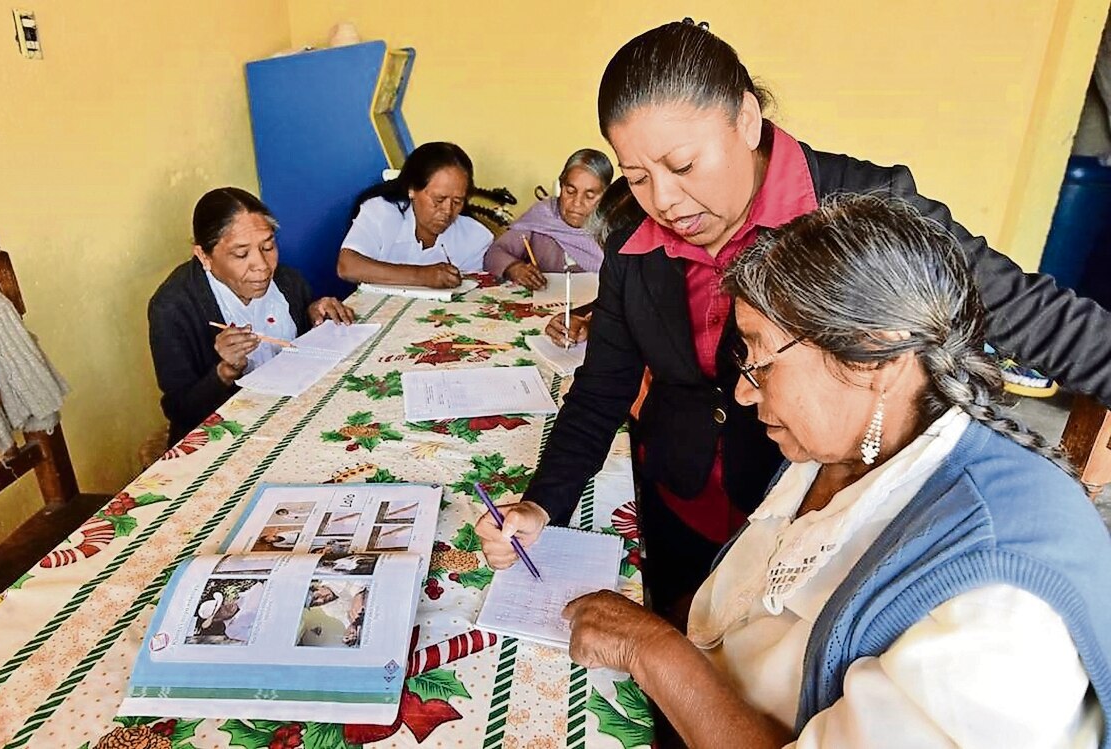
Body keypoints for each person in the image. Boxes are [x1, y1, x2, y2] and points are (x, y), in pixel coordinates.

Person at [476, 20, 1111, 624]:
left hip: (813, 522)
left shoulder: (865, 214)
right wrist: (543, 501)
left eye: (683, 166)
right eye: (638, 178)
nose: (663, 202)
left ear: (747, 119)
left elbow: (1037, 316)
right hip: (680, 494)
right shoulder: (636, 242)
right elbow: (601, 387)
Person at [561, 195, 1111, 748]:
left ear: (874, 361)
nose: (746, 392)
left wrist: (650, 648)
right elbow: (746, 605)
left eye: (761, 361)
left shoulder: (1003, 620)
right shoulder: (847, 444)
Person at [149, 187, 355, 445]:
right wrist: (224, 371)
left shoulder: (288, 282)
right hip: (226, 440)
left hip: (292, 418)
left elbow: (297, 351)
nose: (262, 265)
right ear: (204, 256)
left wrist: (313, 315)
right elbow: (181, 411)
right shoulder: (173, 307)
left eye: (268, 246)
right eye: (241, 254)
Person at [337, 142, 492, 289]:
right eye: (439, 200)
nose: (448, 210)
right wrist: (421, 275)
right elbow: (347, 266)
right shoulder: (381, 212)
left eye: (457, 201)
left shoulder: (475, 237)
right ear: (411, 189)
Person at [483, 148, 613, 290]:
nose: (577, 203)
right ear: (561, 185)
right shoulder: (543, 215)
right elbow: (494, 253)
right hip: (545, 307)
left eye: (589, 196)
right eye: (570, 191)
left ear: (606, 194)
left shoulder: (614, 225)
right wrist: (513, 267)